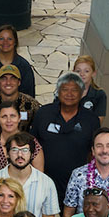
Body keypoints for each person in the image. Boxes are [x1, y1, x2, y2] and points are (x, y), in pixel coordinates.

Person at [29, 71, 100, 204]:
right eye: (65, 89)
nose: (69, 94)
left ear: (82, 92)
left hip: (78, 185)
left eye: (74, 90)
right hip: (45, 181)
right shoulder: (43, 113)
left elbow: (94, 152)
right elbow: (33, 145)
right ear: (58, 91)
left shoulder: (91, 120)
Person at [0, 101, 43, 180]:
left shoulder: (31, 142)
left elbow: (40, 177)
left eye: (13, 116)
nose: (9, 120)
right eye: (4, 116)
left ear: (19, 118)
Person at [0, 64, 41, 134]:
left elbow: (38, 130)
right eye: (4, 79)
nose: (8, 82)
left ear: (19, 82)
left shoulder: (31, 105)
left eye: (13, 78)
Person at [65, 55, 107, 121]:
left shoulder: (99, 95)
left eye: (86, 71)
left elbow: (98, 122)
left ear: (93, 73)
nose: (82, 74)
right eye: (78, 71)